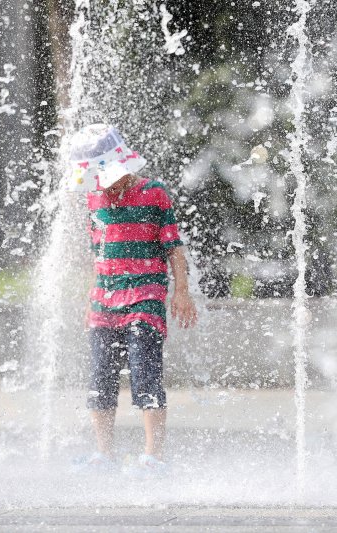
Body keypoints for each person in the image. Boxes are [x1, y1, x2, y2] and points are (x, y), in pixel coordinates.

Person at [68, 124, 198, 473]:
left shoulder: (154, 192)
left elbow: (174, 247)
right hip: (103, 301)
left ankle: (154, 455)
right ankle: (103, 454)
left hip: (145, 297)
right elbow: (100, 254)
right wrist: (91, 301)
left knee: (145, 374)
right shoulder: (93, 197)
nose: (103, 182)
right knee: (100, 378)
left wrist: (181, 292)